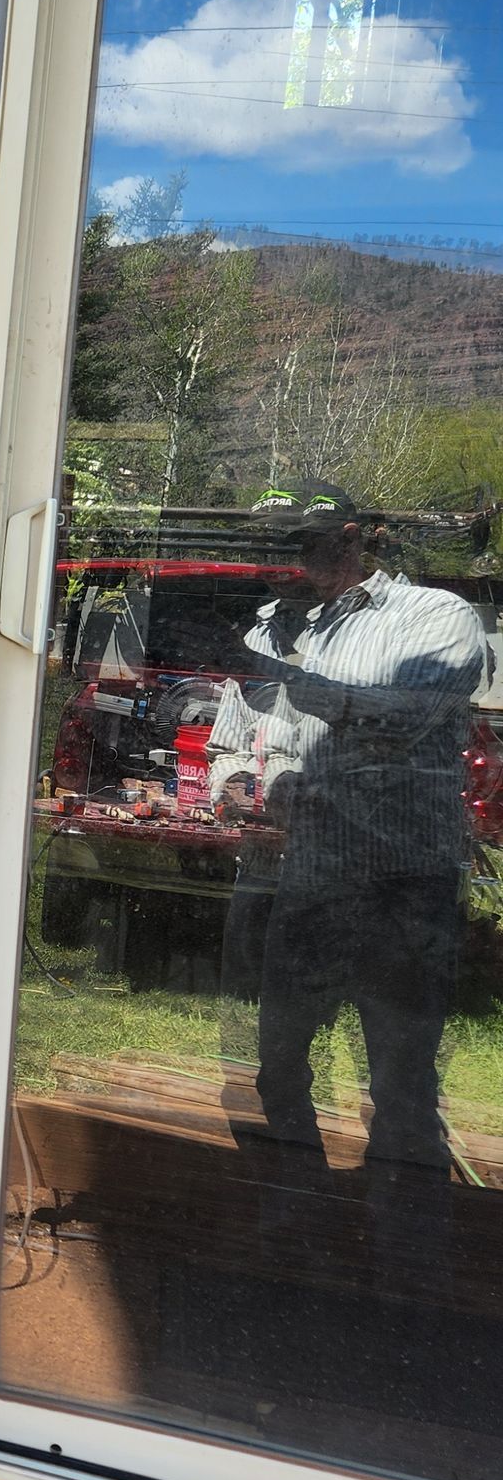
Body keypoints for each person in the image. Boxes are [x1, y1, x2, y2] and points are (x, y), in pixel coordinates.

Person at [223, 486, 486, 1202]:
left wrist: (293, 684)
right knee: (277, 1067)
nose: (284, 563)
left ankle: (400, 1259)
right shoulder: (268, 626)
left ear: (353, 537)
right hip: (304, 878)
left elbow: (405, 718)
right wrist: (250, 781)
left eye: (301, 544)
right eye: (271, 548)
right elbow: (242, 741)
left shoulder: (434, 616)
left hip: (400, 883)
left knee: (400, 1080)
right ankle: (298, 1221)